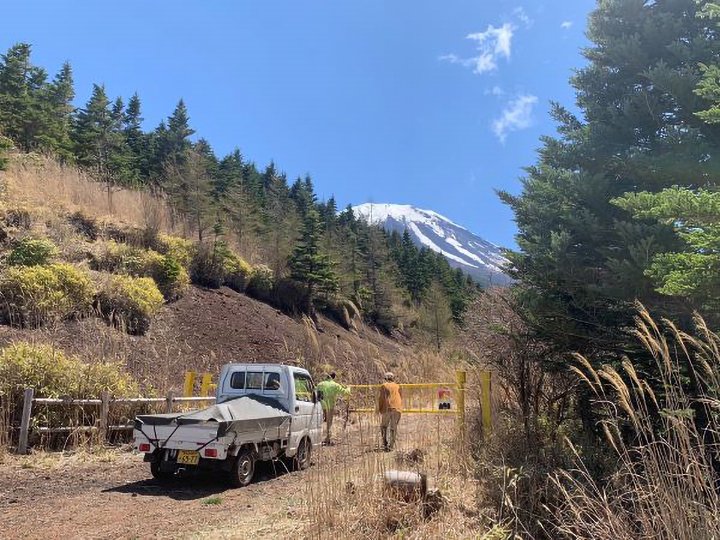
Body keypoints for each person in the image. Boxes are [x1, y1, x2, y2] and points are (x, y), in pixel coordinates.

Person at [315, 372, 350, 445]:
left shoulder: (320, 384)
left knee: (318, 422)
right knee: (329, 423)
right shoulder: (335, 385)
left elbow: (317, 395)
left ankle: (316, 438)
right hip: (330, 406)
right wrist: (349, 388)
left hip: (320, 406)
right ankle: (328, 438)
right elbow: (345, 392)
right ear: (333, 378)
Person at [377, 372, 402, 451]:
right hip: (397, 409)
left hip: (387, 408)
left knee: (383, 427)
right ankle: (391, 446)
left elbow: (381, 398)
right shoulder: (398, 386)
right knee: (393, 428)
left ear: (385, 379)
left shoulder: (384, 386)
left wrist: (379, 409)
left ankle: (385, 443)